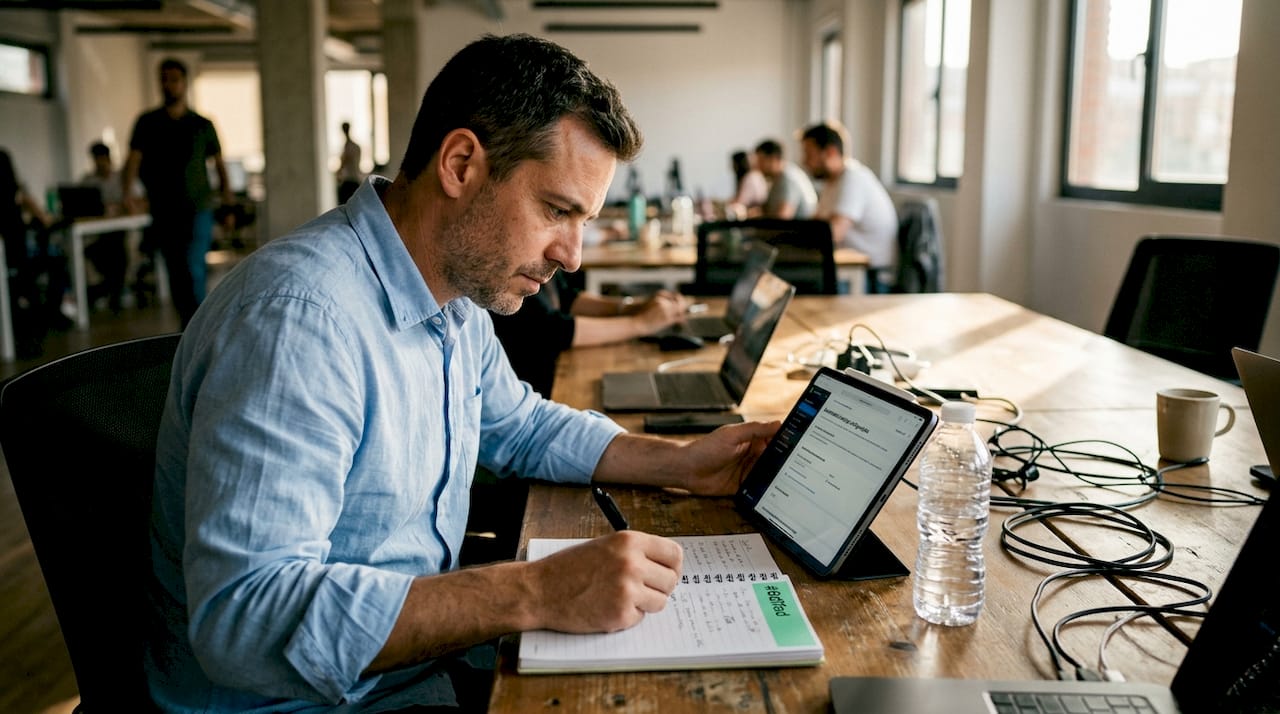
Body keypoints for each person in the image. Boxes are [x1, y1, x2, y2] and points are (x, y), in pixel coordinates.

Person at [146, 33, 778, 712]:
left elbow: (522, 426)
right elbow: (246, 621)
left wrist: (682, 464)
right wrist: (534, 590)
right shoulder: (299, 321)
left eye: (584, 220)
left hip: (414, 666)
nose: (572, 255)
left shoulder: (452, 294)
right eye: (557, 210)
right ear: (460, 164)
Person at [121, 57, 234, 328]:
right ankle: (189, 329)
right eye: (163, 79)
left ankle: (199, 329)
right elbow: (133, 162)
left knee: (193, 268)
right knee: (176, 273)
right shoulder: (148, 123)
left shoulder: (202, 125)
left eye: (173, 79)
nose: (168, 85)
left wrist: (228, 204)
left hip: (198, 208)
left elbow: (220, 167)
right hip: (163, 210)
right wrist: (127, 194)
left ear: (184, 83)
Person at [490, 273, 690, 397]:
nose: (573, 260)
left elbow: (568, 296)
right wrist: (641, 324)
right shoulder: (503, 271)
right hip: (536, 391)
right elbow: (552, 330)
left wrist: (633, 308)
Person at [800, 122, 899, 293]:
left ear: (830, 152)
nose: (805, 161)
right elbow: (815, 226)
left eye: (809, 154)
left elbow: (832, 234)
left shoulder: (853, 179)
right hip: (850, 270)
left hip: (871, 278)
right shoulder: (832, 182)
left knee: (802, 286)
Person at [0, 148, 69, 354]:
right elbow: (42, 217)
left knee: (50, 264)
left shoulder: (15, 197)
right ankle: (50, 316)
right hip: (18, 262)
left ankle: (43, 319)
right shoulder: (15, 195)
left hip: (16, 262)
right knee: (55, 263)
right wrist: (42, 217)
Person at [79, 142, 133, 312]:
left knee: (120, 247)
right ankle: (111, 289)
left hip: (121, 231)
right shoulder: (87, 182)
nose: (100, 163)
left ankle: (113, 290)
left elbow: (138, 202)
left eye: (103, 159)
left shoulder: (122, 179)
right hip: (98, 234)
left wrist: (121, 206)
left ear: (109, 158)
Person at [754, 138, 817, 220]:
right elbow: (767, 210)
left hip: (800, 231)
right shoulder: (777, 178)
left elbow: (782, 219)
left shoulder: (788, 179)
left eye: (761, 161)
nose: (758, 166)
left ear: (774, 159)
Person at [727, 149, 767, 218]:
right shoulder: (755, 175)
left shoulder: (750, 178)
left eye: (733, 164)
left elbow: (740, 202)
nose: (731, 167)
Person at [336, 120, 363, 204]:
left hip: (349, 181)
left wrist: (338, 173)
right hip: (355, 179)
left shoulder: (349, 146)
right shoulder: (356, 146)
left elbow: (345, 162)